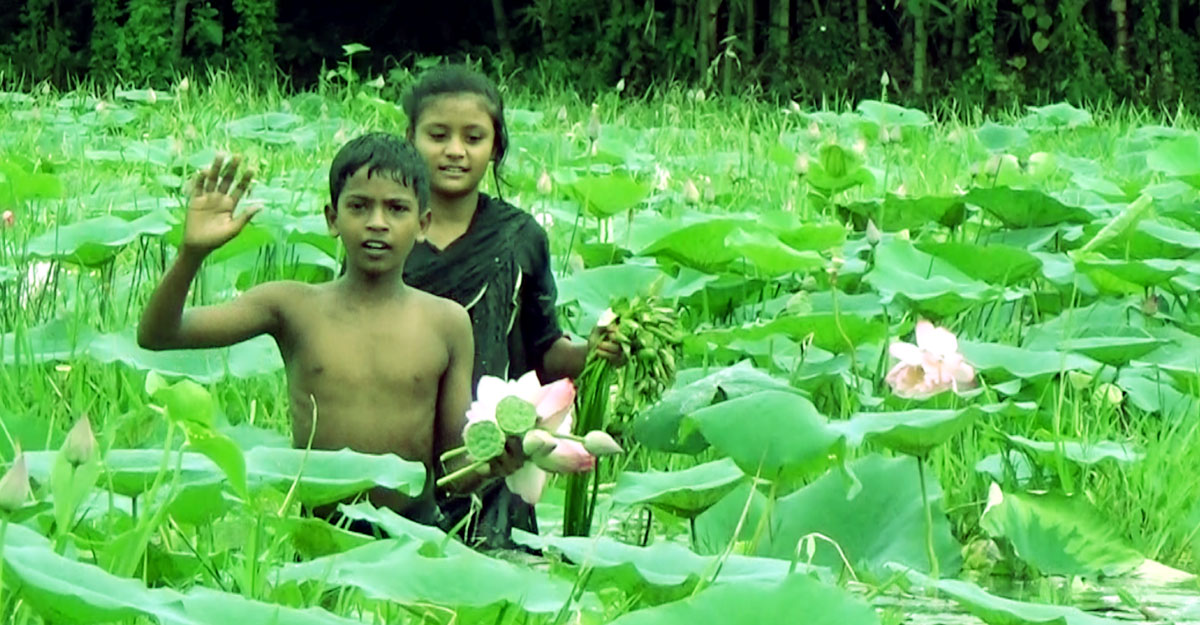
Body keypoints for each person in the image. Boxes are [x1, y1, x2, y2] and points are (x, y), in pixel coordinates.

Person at [138, 134, 517, 529]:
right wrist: (192, 253)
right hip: (318, 531)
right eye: (359, 206)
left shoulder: (447, 323)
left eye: (396, 208)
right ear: (332, 219)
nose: (377, 222)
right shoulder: (291, 306)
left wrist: (494, 460)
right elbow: (160, 334)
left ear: (422, 223)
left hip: (412, 532)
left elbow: (452, 465)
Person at [400, 65, 620, 549]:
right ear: (411, 138)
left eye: (473, 137)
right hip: (400, 448)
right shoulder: (387, 230)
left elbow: (544, 349)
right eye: (438, 135)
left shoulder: (521, 238)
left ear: (495, 147)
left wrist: (592, 351)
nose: (455, 150)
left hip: (496, 453)